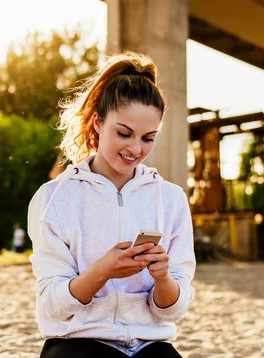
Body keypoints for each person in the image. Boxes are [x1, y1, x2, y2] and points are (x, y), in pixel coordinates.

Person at [27, 52, 196, 358]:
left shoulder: (170, 199)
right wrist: (103, 270)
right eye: (124, 133)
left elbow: (174, 311)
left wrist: (162, 278)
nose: (135, 148)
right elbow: (53, 305)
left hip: (150, 344)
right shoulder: (54, 198)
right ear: (97, 123)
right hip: (77, 342)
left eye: (148, 138)